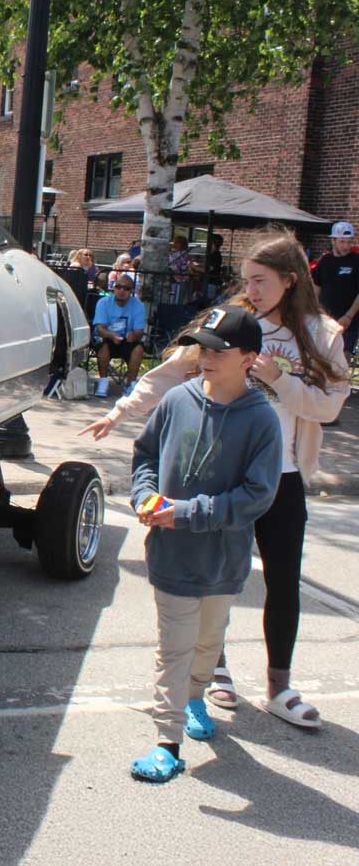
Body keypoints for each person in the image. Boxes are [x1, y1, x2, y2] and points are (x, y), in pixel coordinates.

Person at [82, 231, 350, 729]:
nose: (252, 288)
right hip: (221, 475)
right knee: (218, 576)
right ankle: (215, 672)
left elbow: (329, 406)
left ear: (291, 281)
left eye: (261, 280)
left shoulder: (320, 333)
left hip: (282, 479)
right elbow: (170, 373)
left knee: (283, 579)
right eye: (246, 279)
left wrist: (280, 378)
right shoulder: (232, 324)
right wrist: (119, 412)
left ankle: (279, 685)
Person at [129, 306, 282, 783]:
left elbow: (257, 496)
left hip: (223, 562)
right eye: (203, 346)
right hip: (172, 554)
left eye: (221, 349)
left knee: (208, 643)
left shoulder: (262, 420)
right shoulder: (178, 399)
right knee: (173, 647)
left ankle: (196, 696)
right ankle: (166, 741)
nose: (208, 356)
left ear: (250, 359)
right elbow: (145, 454)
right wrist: (145, 493)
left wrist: (187, 512)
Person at [91, 276, 145, 398]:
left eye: (126, 288)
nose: (121, 291)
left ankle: (130, 384)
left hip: (127, 340)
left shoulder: (138, 305)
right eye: (118, 287)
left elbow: (139, 330)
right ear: (113, 288)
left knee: (139, 349)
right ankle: (103, 382)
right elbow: (100, 329)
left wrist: (134, 335)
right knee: (103, 346)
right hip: (107, 337)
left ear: (132, 291)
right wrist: (111, 335)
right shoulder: (103, 303)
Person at [311, 221, 359, 360]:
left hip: (348, 320)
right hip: (325, 318)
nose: (346, 246)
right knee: (321, 356)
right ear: (333, 240)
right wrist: (315, 311)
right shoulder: (324, 261)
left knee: (343, 358)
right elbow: (316, 287)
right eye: (342, 242)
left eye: (349, 242)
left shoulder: (356, 261)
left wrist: (349, 316)